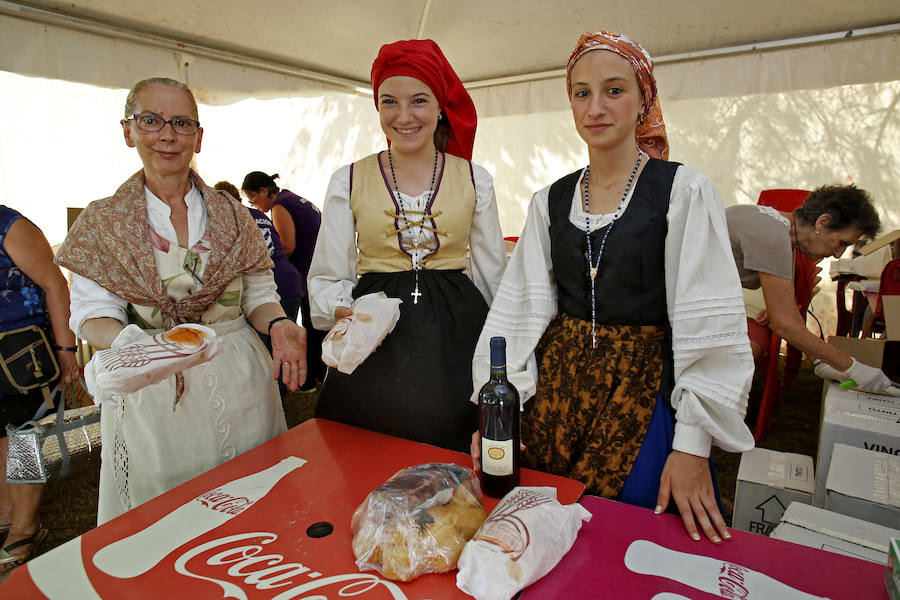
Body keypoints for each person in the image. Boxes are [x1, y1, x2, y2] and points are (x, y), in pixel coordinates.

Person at [471, 31, 754, 544]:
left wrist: (692, 445)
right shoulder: (550, 201)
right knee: (541, 530)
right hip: (558, 393)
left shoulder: (682, 191)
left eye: (614, 90)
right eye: (581, 92)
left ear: (644, 98)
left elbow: (706, 321)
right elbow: (519, 311)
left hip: (645, 391)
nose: (595, 107)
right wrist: (503, 411)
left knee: (631, 537)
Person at [55, 77, 307, 525]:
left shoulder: (233, 215)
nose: (167, 135)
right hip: (152, 382)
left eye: (182, 123)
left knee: (255, 504)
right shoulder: (103, 222)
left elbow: (260, 297)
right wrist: (144, 346)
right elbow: (91, 314)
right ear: (128, 131)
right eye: (150, 120)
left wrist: (279, 325)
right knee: (169, 514)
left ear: (200, 137)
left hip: (239, 375)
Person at [308, 39, 506, 452]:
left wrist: (503, 350)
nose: (403, 116)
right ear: (377, 108)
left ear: (439, 106)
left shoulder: (475, 178)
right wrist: (346, 316)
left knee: (450, 433)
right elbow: (329, 273)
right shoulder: (347, 179)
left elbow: (493, 275)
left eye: (418, 100)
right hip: (374, 330)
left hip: (455, 331)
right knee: (369, 441)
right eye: (389, 102)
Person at [727, 185, 897, 395]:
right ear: (822, 222)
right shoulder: (771, 233)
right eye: (842, 242)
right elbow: (785, 324)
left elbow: (788, 316)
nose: (838, 254)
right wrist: (853, 368)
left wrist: (820, 361)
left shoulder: (781, 233)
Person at [0, 207, 80, 573]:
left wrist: (66, 350)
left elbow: (54, 284)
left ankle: (25, 526)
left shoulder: (8, 225)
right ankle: (6, 516)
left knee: (24, 438)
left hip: (20, 354)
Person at [242, 171, 326, 388]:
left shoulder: (281, 205)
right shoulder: (296, 199)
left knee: (302, 334)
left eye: (253, 200)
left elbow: (287, 246)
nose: (256, 206)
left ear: (262, 191)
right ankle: (315, 380)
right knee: (314, 330)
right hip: (316, 274)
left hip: (304, 277)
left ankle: (305, 382)